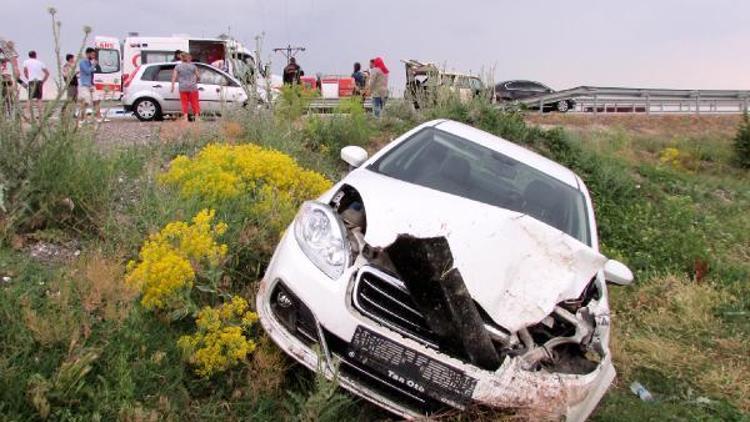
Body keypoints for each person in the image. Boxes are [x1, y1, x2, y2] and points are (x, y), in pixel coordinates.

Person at [171, 52, 200, 122]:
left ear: (181, 58)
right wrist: (196, 80)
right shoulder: (193, 66)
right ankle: (197, 117)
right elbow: (198, 76)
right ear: (188, 58)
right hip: (192, 87)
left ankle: (185, 118)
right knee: (195, 102)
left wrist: (172, 86)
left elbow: (174, 77)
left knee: (184, 103)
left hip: (183, 87)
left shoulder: (177, 67)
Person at [77, 48, 103, 124]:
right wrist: (93, 65)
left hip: (92, 84)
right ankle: (82, 119)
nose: (93, 56)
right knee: (85, 103)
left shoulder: (89, 62)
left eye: (94, 55)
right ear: (87, 54)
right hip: (85, 85)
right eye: (92, 54)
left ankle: (98, 117)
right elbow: (87, 71)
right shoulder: (82, 62)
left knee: (97, 100)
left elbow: (92, 72)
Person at [22, 50, 49, 122]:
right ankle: (41, 116)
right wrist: (43, 81)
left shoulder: (26, 62)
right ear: (35, 55)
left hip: (31, 81)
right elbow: (47, 73)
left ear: (29, 55)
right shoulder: (40, 63)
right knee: (39, 99)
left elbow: (25, 71)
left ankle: (26, 115)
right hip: (39, 81)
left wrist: (28, 77)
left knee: (29, 99)